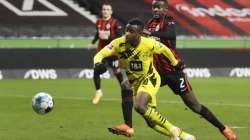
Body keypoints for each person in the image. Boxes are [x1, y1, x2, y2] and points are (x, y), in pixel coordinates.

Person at [142, 1, 238, 140]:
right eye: (154, 7)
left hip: (174, 71)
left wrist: (150, 33)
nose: (156, 10)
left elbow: (170, 35)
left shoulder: (169, 21)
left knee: (194, 106)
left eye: (159, 7)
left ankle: (223, 129)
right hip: (157, 72)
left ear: (165, 9)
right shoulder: (149, 23)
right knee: (142, 103)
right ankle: (176, 133)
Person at [94, 18, 196, 140]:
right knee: (151, 122)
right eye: (126, 30)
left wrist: (175, 63)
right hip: (135, 83)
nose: (127, 33)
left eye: (131, 31)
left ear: (139, 33)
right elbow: (99, 54)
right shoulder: (118, 43)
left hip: (150, 78)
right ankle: (185, 136)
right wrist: (97, 64)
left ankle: (173, 129)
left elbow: (165, 49)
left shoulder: (148, 43)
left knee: (139, 106)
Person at [91, 2, 134, 135]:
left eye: (107, 9)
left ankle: (125, 93)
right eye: (104, 9)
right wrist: (92, 42)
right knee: (96, 70)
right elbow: (97, 34)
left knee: (118, 74)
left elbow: (119, 37)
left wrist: (108, 37)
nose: (105, 11)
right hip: (102, 52)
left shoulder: (115, 23)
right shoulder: (98, 21)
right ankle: (98, 92)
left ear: (111, 11)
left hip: (113, 54)